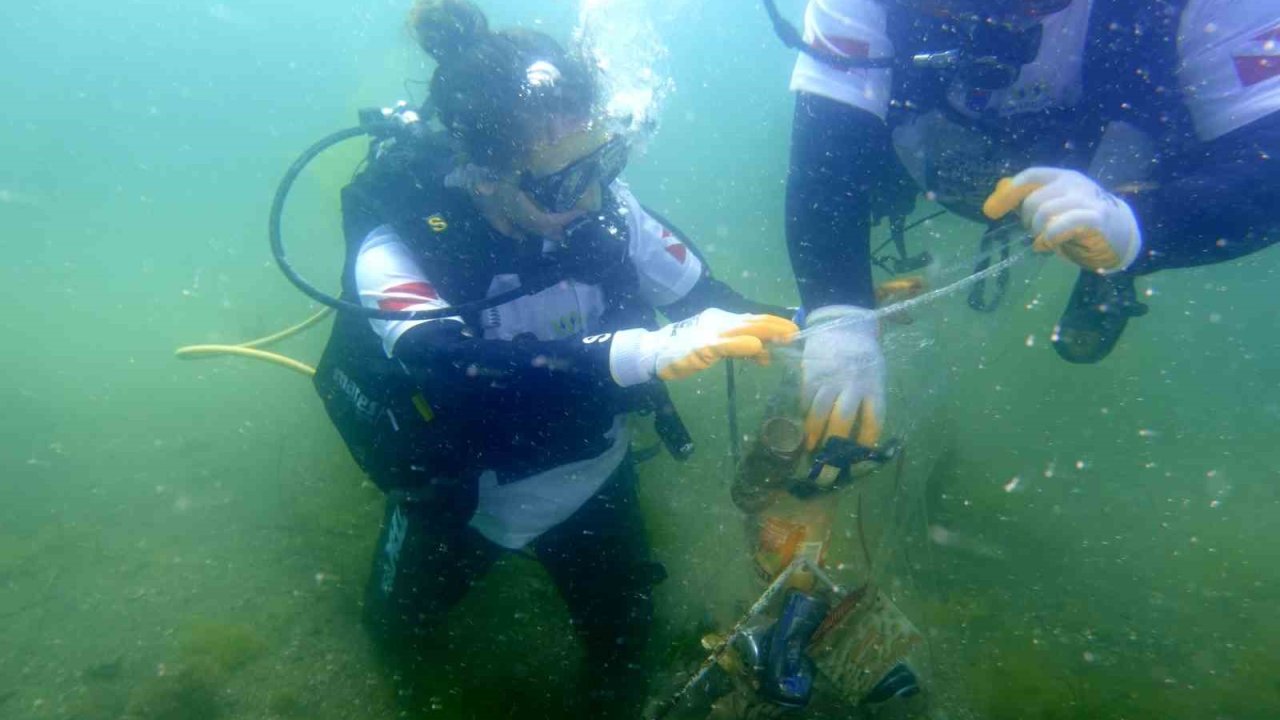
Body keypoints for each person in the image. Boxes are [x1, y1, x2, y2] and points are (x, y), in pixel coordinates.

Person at [311, 1, 797, 716]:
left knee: (624, 649)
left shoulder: (608, 210)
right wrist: (635, 353)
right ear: (483, 176)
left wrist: (821, 326)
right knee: (396, 633)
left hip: (591, 470)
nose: (592, 195)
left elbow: (707, 299)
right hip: (461, 494)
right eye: (558, 180)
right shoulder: (403, 239)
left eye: (599, 161)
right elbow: (446, 367)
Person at [780, 0, 1280, 462]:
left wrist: (1137, 224)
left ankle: (1104, 258)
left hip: (1120, 161)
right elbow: (827, 148)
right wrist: (838, 310)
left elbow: (1269, 160)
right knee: (851, 155)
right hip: (929, 150)